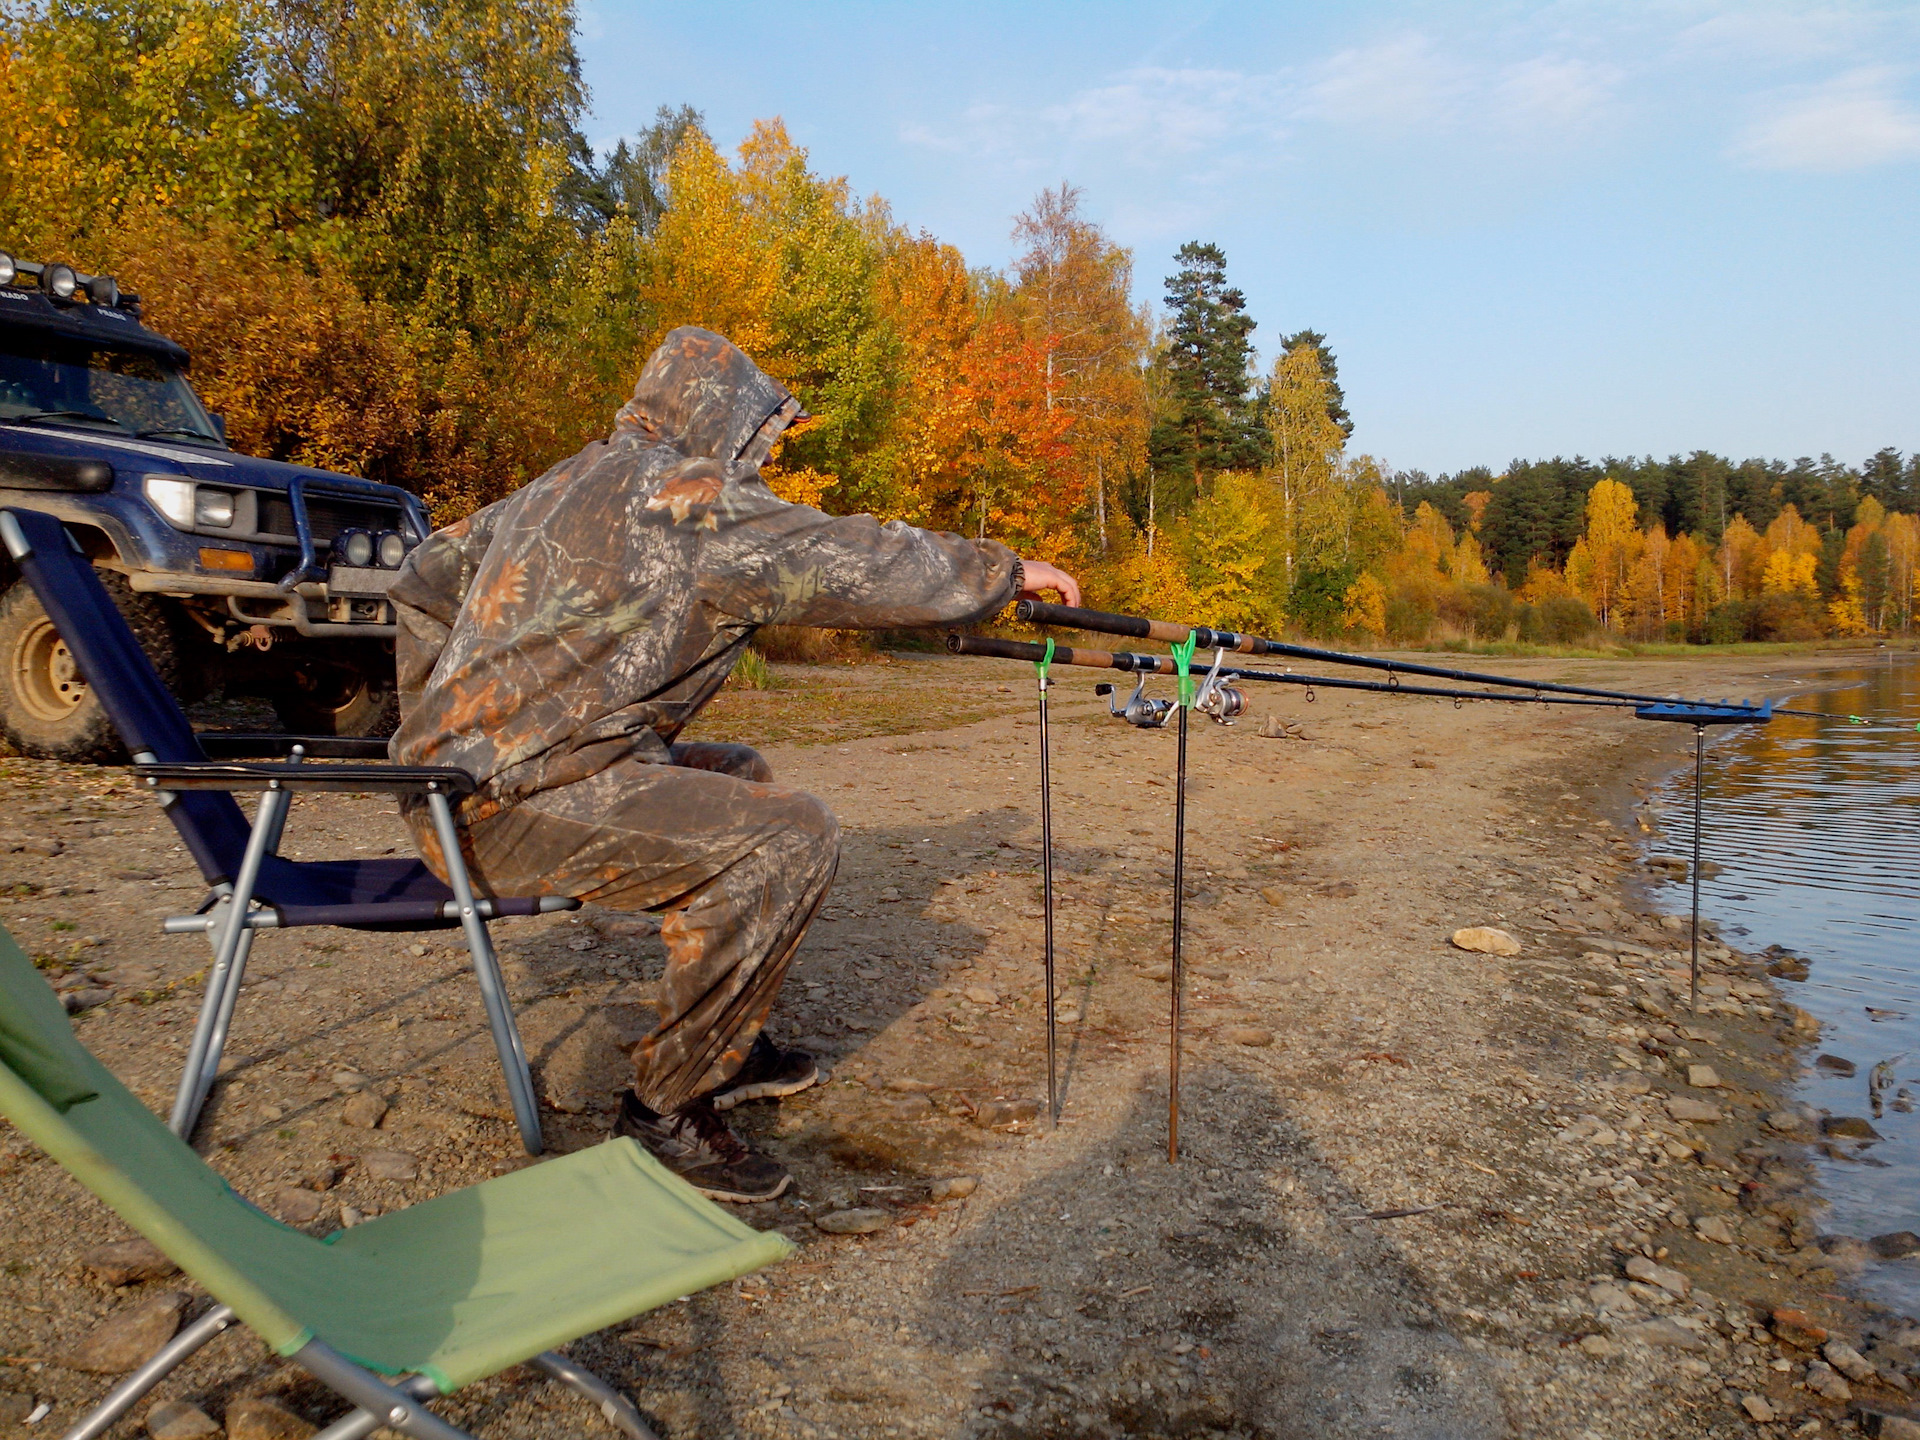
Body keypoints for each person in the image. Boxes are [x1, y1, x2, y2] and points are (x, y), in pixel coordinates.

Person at [389, 327, 1080, 1201]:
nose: (761, 456)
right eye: (757, 435)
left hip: (478, 782)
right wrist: (1002, 573)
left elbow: (417, 578)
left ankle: (729, 1037)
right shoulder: (684, 495)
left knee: (740, 773)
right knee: (791, 836)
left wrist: (427, 728)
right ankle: (664, 1111)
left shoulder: (568, 477)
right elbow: (847, 558)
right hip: (502, 803)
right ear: (719, 416)